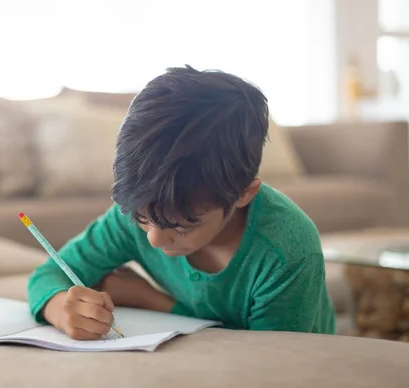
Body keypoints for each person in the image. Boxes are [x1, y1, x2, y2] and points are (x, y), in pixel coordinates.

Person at [27, 65, 335, 340]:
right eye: (140, 218)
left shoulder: (285, 252)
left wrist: (148, 298)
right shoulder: (148, 205)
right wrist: (60, 309)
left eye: (182, 226)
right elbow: (48, 275)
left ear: (244, 193)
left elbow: (267, 361)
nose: (154, 238)